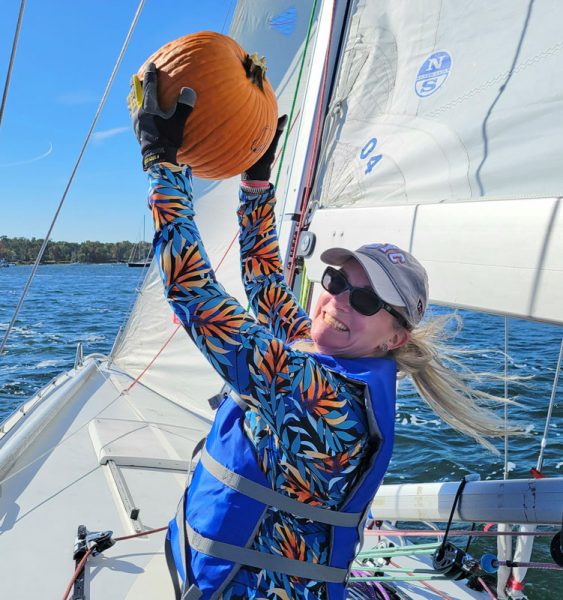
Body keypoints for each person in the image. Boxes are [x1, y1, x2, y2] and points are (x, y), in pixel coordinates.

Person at [129, 64, 515, 600]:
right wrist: (257, 180)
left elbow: (195, 294)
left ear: (394, 338)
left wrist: (161, 163)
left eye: (365, 299)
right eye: (334, 279)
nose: (336, 300)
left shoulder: (324, 397)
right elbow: (264, 277)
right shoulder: (322, 349)